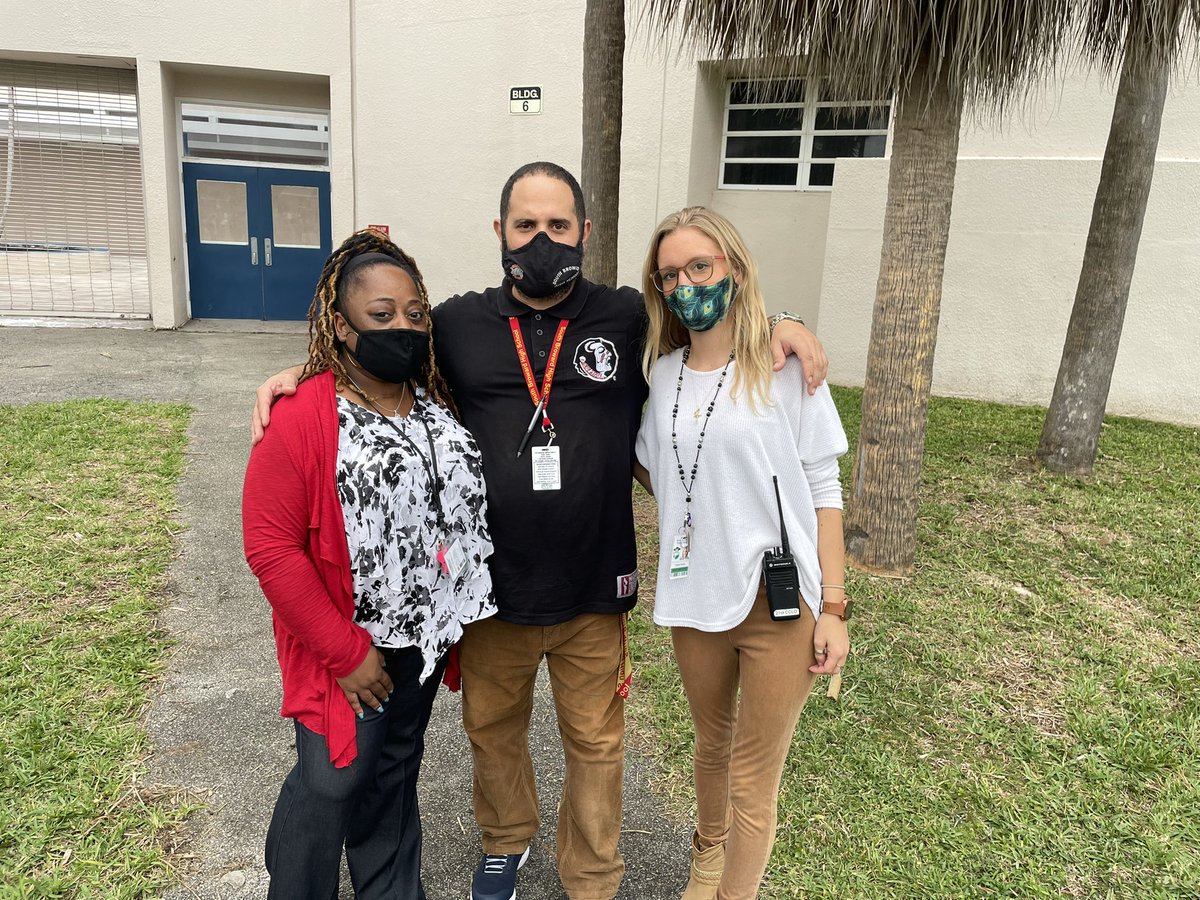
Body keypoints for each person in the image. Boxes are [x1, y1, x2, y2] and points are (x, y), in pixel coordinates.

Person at [250, 162, 829, 900]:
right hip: (492, 592)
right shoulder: (455, 323)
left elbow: (712, 322)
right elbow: (378, 356)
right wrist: (299, 373)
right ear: (500, 233)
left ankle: (592, 874)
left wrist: (786, 323)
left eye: (559, 226)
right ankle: (505, 844)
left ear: (584, 233)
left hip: (595, 585)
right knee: (494, 734)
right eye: (526, 226)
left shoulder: (627, 317)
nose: (542, 240)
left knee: (595, 744)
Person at [241, 229, 496, 900]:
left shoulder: (434, 402)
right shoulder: (303, 417)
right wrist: (345, 652)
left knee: (392, 776)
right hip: (350, 646)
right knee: (330, 782)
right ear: (341, 325)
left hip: (426, 640)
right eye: (380, 316)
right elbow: (270, 549)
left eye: (414, 314)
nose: (402, 327)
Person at [632, 206, 851, 900]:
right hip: (695, 596)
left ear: (733, 267)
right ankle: (706, 855)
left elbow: (824, 485)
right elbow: (654, 467)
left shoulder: (783, 367)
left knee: (756, 776)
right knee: (710, 746)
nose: (686, 283)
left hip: (778, 602)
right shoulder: (661, 377)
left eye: (701, 266)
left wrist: (836, 607)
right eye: (671, 274)